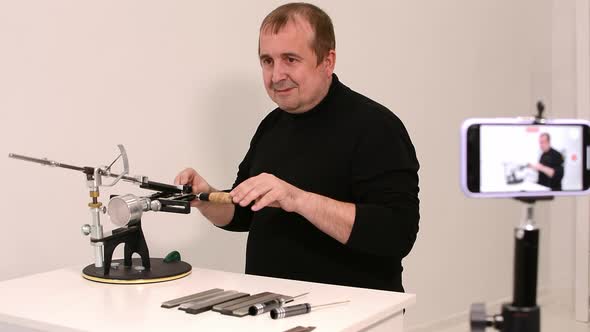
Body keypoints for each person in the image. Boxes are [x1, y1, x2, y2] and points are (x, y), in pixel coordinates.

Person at [175, 2, 420, 292]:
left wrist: (298, 200)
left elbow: (396, 234)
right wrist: (207, 197)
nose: (276, 75)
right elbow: (244, 214)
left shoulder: (376, 127)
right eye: (267, 61)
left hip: (353, 312)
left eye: (290, 59)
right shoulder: (272, 125)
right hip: (270, 307)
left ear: (327, 62)